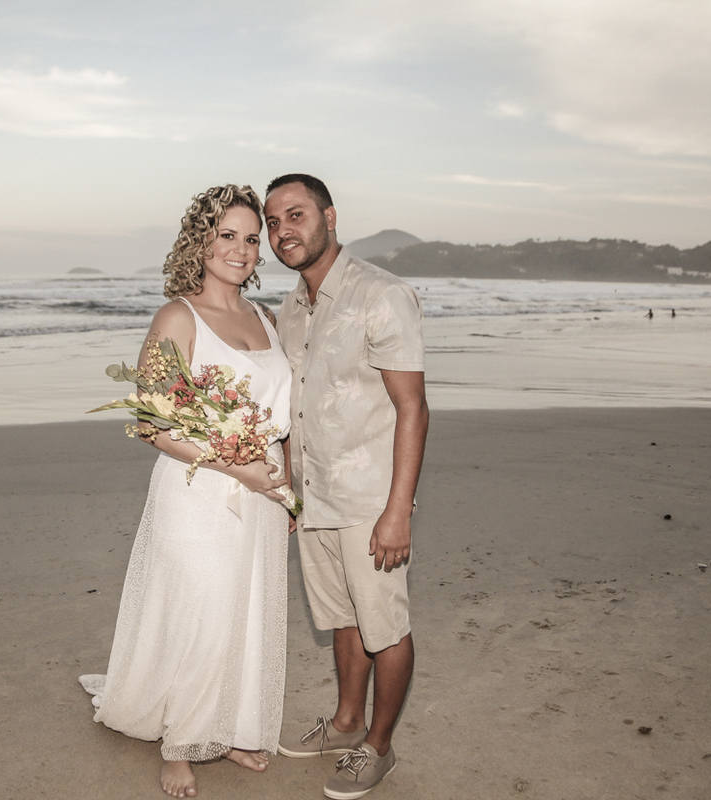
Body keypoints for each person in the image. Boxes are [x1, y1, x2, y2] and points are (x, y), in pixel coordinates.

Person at [86, 185, 293, 798]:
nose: (241, 249)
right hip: (199, 488)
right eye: (227, 235)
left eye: (251, 239)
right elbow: (152, 423)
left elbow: (279, 412)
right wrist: (238, 467)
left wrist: (281, 489)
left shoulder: (268, 319)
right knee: (199, 610)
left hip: (261, 491)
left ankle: (225, 727)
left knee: (244, 610)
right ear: (201, 241)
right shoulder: (178, 317)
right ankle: (180, 741)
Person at [266, 174, 429, 799]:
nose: (285, 231)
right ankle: (343, 724)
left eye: (297, 215)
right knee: (340, 618)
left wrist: (398, 511)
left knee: (383, 623)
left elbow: (411, 408)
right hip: (315, 498)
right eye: (275, 222)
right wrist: (287, 486)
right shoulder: (290, 307)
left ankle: (378, 747)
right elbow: (295, 408)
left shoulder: (381, 295)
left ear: (329, 217)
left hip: (370, 499)